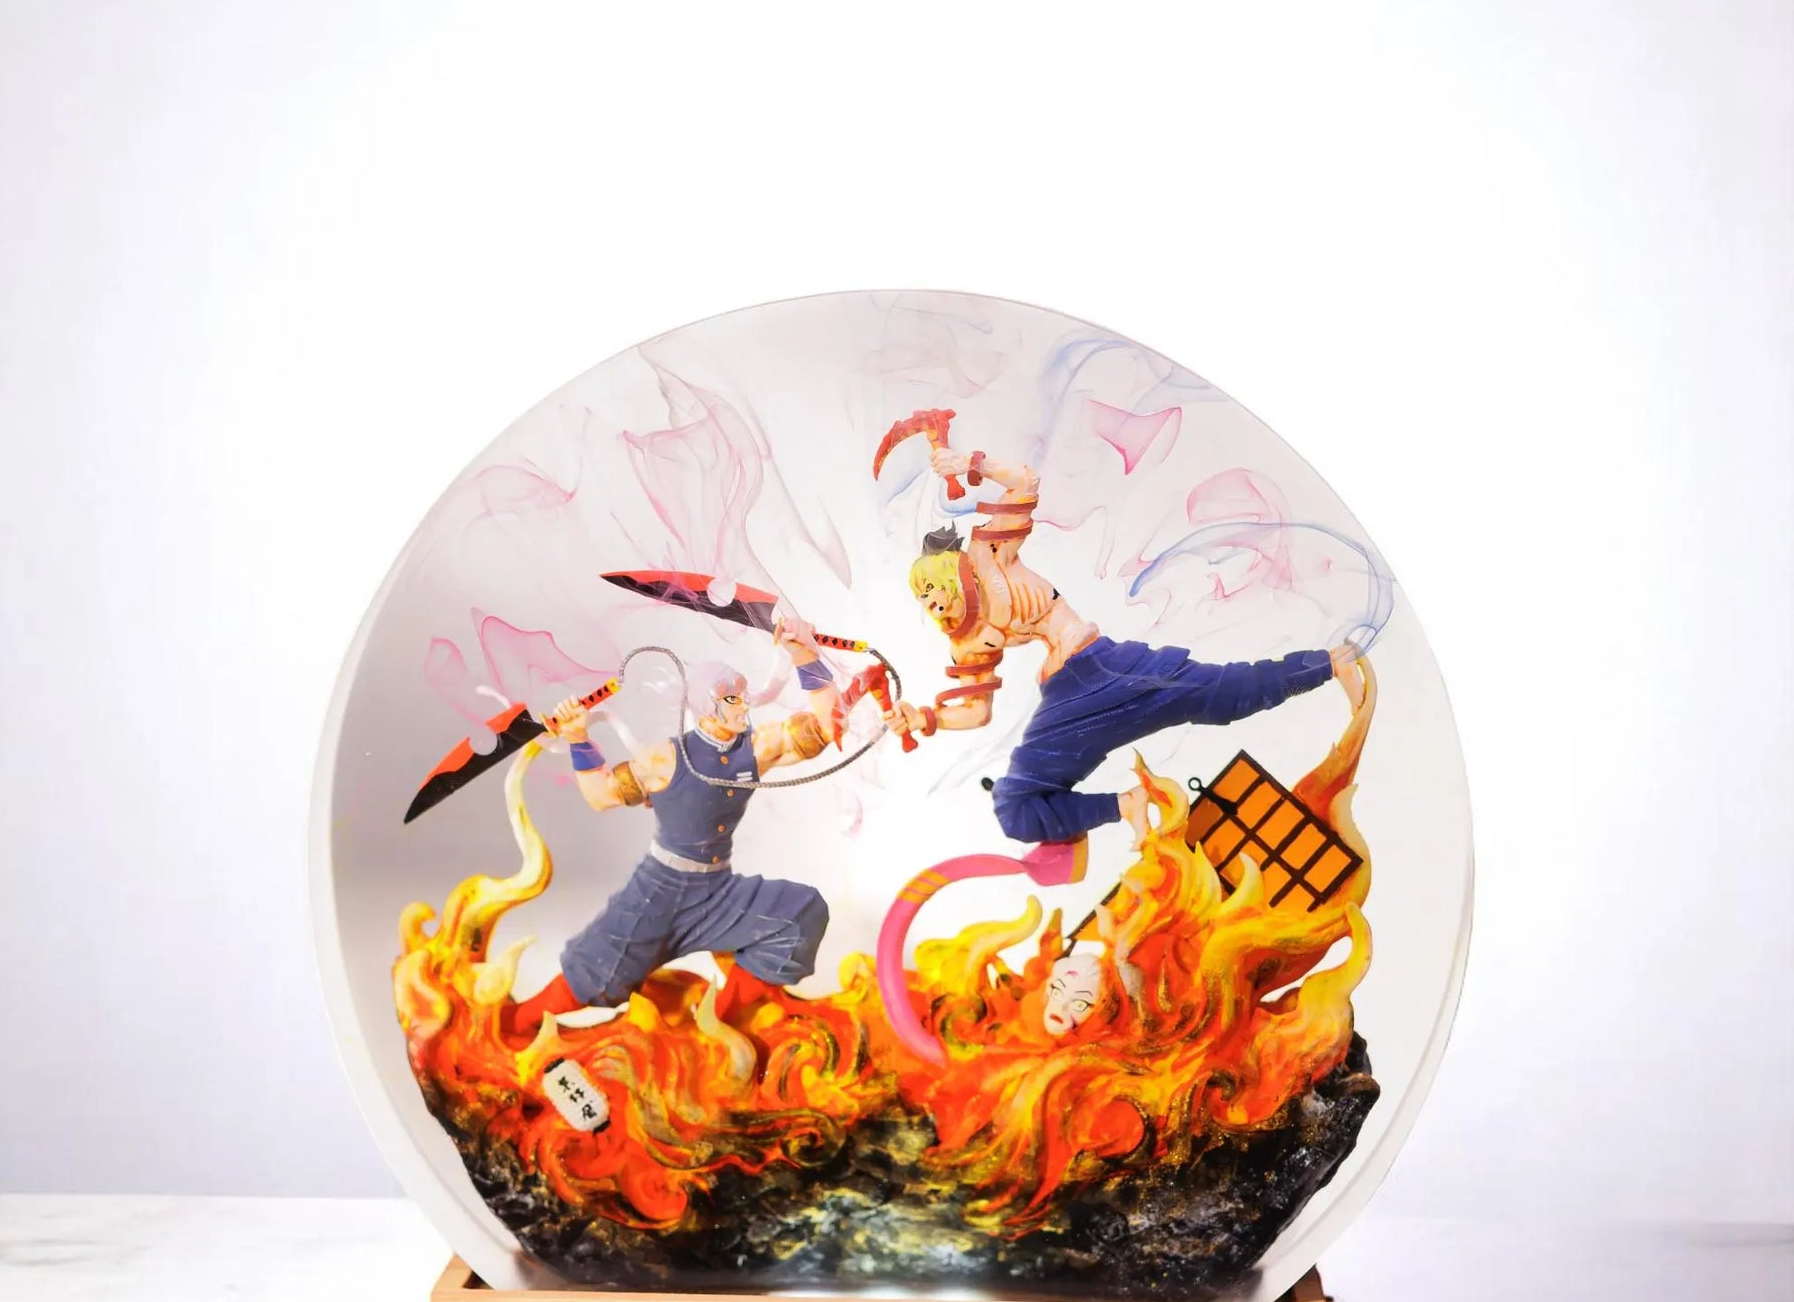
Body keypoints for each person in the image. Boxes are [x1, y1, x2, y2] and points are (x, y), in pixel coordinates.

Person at [887, 440, 1365, 844]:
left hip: (1105, 665)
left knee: (1226, 697)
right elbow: (976, 712)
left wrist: (969, 463)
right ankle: (1126, 803)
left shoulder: (988, 553)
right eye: (922, 600)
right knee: (1015, 808)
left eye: (930, 590)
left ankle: (1330, 663)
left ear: (946, 575)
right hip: (1070, 701)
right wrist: (925, 718)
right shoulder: (968, 640)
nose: (930, 604)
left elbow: (1024, 482)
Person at [510, 621, 842, 1031]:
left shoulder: (757, 747)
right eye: (731, 697)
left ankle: (716, 1024)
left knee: (799, 914)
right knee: (596, 974)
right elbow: (600, 796)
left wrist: (803, 654)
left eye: (742, 694)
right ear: (706, 705)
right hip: (658, 891)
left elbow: (828, 726)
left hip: (717, 890)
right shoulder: (666, 759)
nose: (743, 705)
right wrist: (578, 737)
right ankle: (514, 1026)